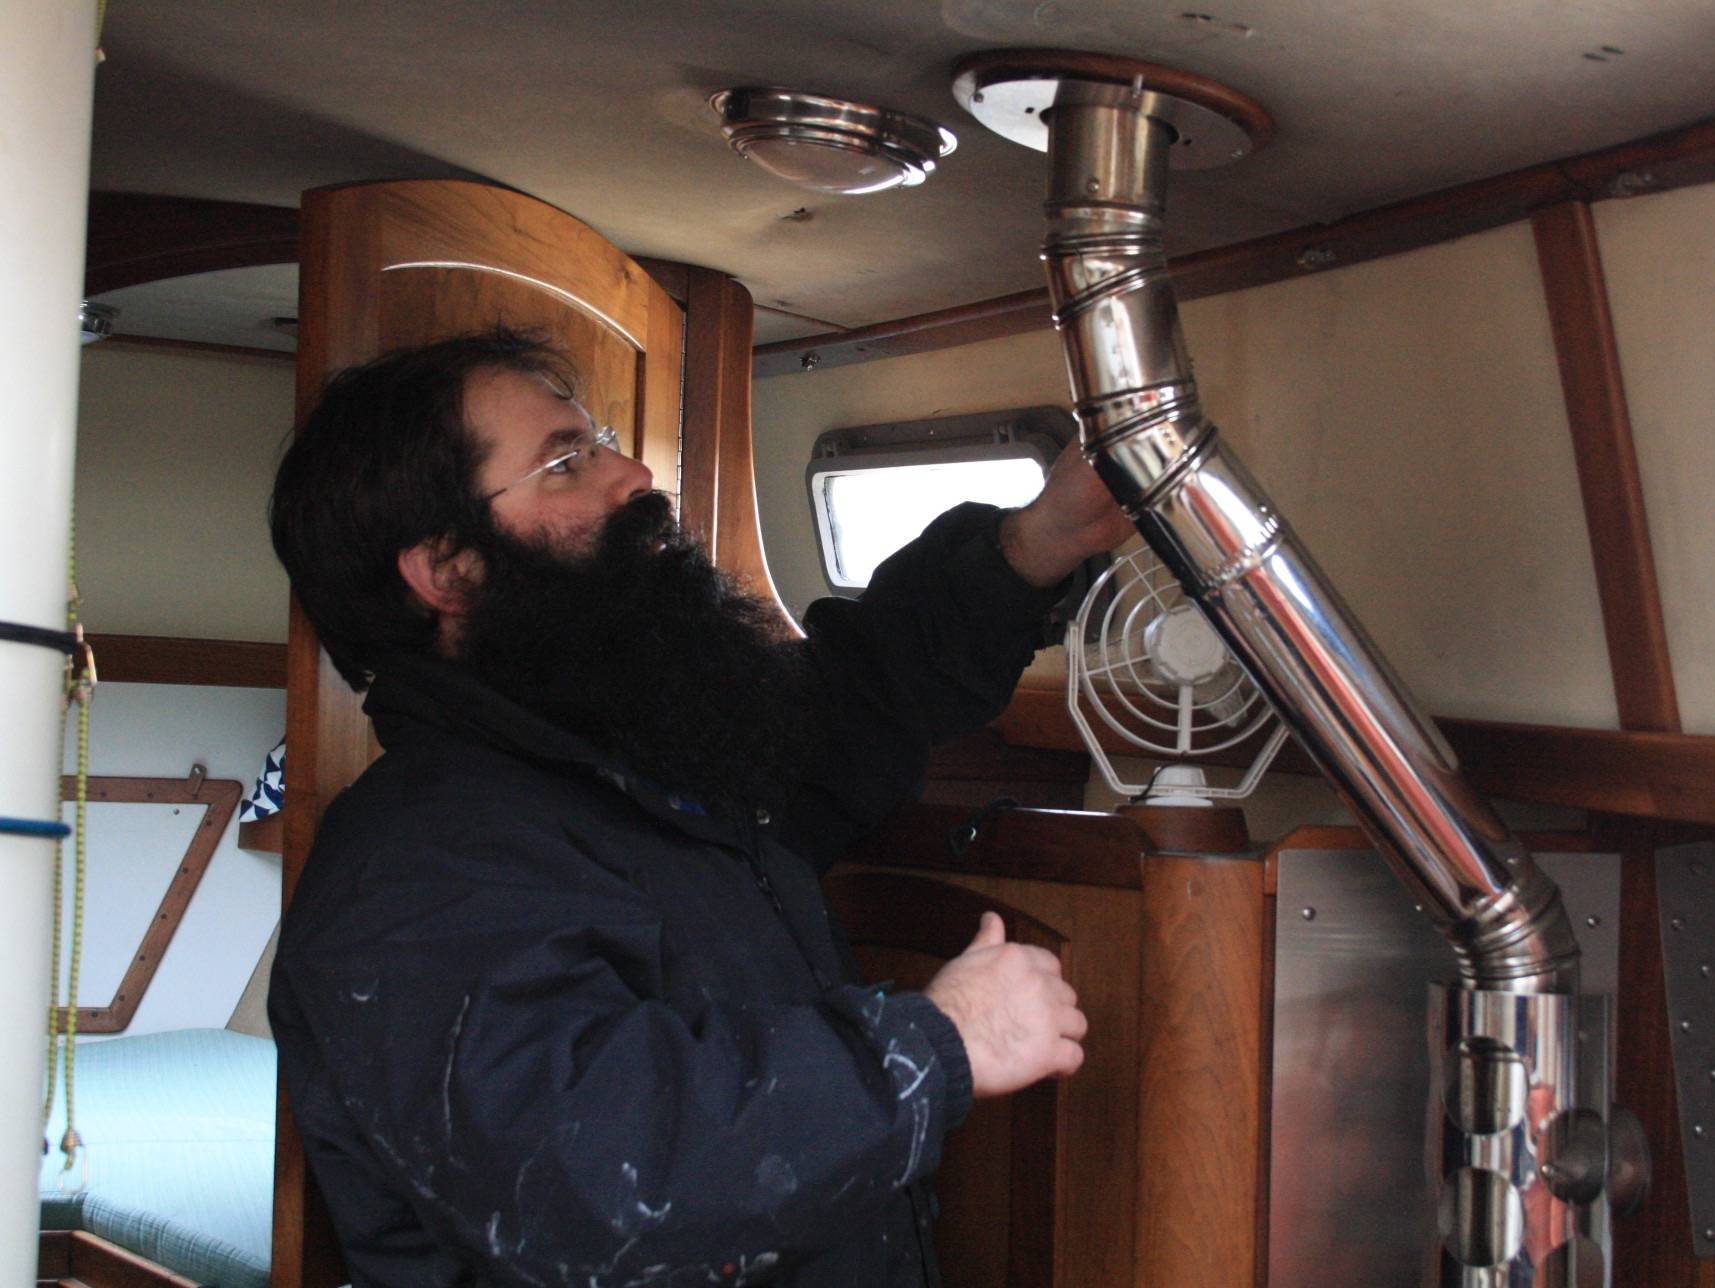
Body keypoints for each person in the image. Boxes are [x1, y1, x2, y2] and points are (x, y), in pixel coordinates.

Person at [266, 328, 1134, 1288]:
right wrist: (938, 1043)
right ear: (449, 569)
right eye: (566, 463)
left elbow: (852, 701)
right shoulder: (414, 863)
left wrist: (1037, 543)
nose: (634, 475)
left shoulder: (644, 763)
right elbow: (588, 1176)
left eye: (600, 442)